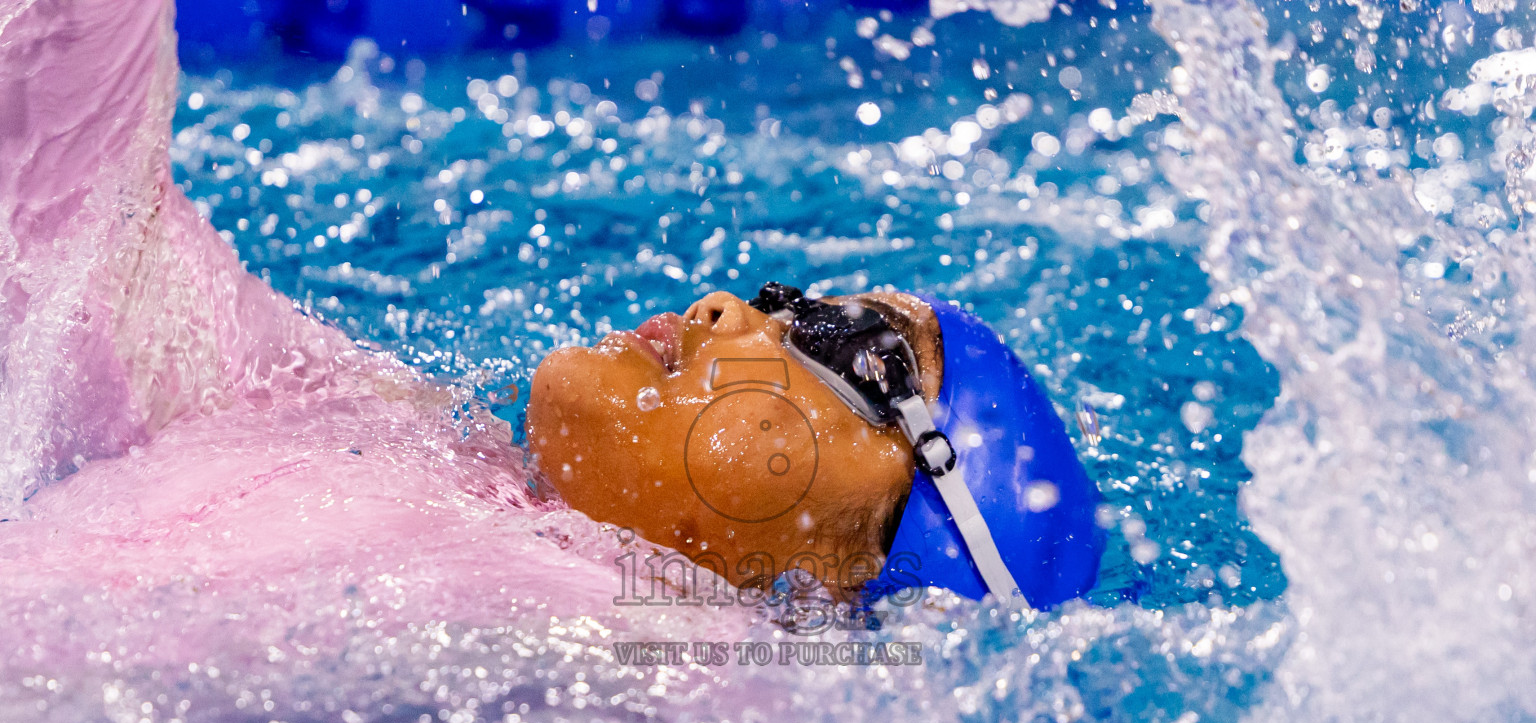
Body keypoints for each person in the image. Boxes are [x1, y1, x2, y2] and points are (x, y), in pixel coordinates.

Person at [0, 0, 1102, 617]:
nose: (728, 309)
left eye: (851, 349)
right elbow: (89, 227)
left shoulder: (676, 674)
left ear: (851, 575)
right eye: (793, 303)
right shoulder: (376, 425)